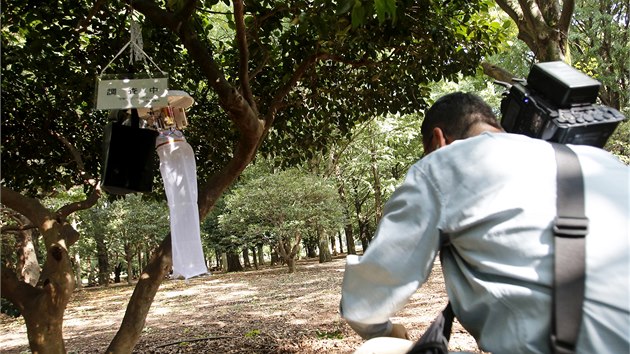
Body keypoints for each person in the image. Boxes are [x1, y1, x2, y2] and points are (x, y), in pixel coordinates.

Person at [339, 92, 630, 353]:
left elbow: (365, 305)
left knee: (380, 350)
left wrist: (387, 331)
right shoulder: (601, 160)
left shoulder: (444, 164)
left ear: (438, 141)